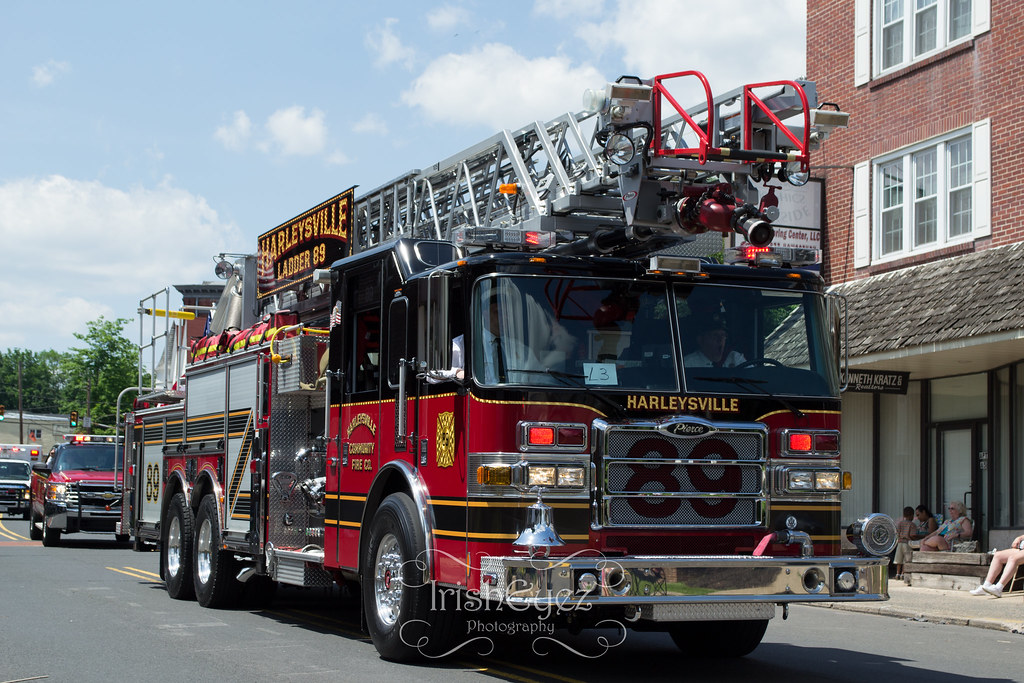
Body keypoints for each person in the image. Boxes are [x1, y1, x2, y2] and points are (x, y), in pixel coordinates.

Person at [894, 506, 915, 580]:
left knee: (898, 560)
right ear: (912, 515)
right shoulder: (912, 524)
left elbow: (897, 532)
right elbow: (912, 535)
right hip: (907, 543)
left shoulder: (900, 523)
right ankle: (903, 574)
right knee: (906, 559)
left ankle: (897, 573)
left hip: (900, 543)